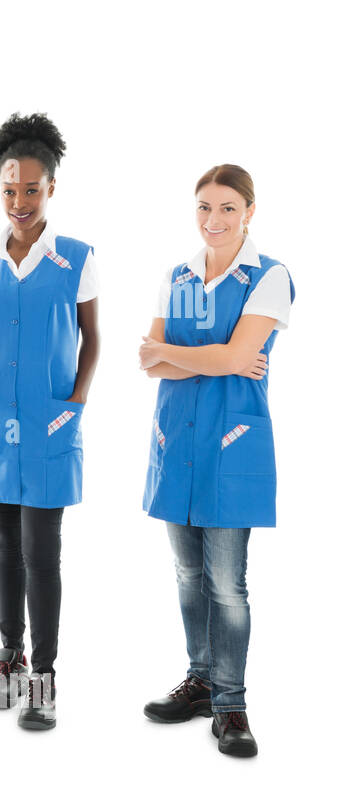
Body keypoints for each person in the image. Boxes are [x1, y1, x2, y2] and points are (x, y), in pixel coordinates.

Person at [139, 164, 292, 759]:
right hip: (176, 440)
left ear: (249, 212)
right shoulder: (176, 275)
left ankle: (231, 705)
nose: (215, 219)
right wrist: (215, 358)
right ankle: (200, 680)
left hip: (231, 442)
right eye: (204, 207)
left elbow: (232, 355)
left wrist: (176, 353)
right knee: (187, 575)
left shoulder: (270, 276)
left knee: (227, 585)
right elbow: (149, 362)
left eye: (228, 207)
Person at [0, 113, 100, 731]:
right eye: (10, 190)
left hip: (48, 424)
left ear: (52, 188)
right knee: (2, 550)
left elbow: (92, 338)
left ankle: (44, 677)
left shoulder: (76, 259)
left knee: (43, 554)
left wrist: (75, 407)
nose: (19, 202)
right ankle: (8, 656)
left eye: (31, 190)